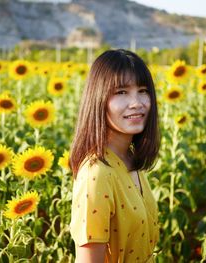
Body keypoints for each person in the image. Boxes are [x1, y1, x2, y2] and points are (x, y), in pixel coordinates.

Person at [69, 49, 160, 262]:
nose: (137, 102)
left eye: (143, 90)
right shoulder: (97, 173)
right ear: (98, 99)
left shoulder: (130, 159)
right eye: (121, 92)